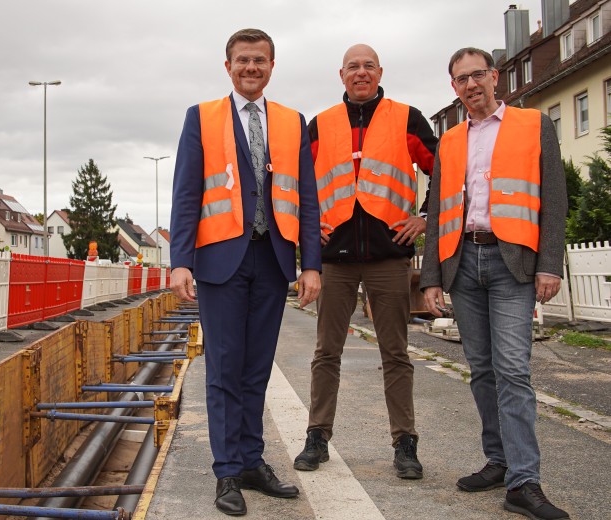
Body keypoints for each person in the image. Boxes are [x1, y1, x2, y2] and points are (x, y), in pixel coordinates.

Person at [169, 28, 322, 516]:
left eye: (259, 60)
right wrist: (179, 260)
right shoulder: (202, 117)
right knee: (224, 369)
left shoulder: (292, 122)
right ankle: (227, 471)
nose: (250, 68)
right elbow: (187, 193)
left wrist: (311, 264)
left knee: (257, 368)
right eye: (242, 60)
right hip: (220, 261)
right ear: (228, 65)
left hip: (273, 260)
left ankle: (252, 460)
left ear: (271, 66)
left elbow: (309, 199)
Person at [421, 47, 570, 520]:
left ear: (495, 77)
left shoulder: (533, 124)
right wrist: (432, 278)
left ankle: (524, 482)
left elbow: (554, 198)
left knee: (513, 371)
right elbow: (437, 213)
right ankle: (499, 461)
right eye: (461, 79)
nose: (471, 85)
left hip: (512, 264)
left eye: (477, 75)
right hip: (463, 262)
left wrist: (550, 264)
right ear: (454, 88)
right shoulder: (450, 142)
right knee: (482, 370)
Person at [293, 44, 437, 480]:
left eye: (368, 66)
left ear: (379, 72)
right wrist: (306, 227)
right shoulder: (320, 124)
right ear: (341, 75)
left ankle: (405, 444)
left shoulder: (406, 117)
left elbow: (447, 166)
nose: (361, 73)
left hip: (389, 256)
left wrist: (426, 216)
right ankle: (317, 436)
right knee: (326, 352)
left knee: (396, 352)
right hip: (334, 257)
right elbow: (296, 181)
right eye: (353, 67)